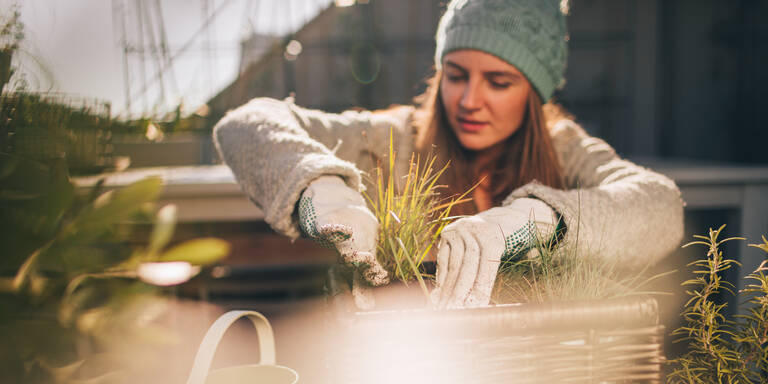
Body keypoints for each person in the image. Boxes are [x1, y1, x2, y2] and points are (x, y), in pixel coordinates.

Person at [213, 0, 684, 309]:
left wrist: (535, 221)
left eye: (498, 82)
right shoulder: (390, 141)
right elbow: (246, 124)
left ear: (534, 94)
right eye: (456, 75)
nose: (469, 100)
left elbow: (659, 205)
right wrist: (321, 186)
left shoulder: (566, 150)